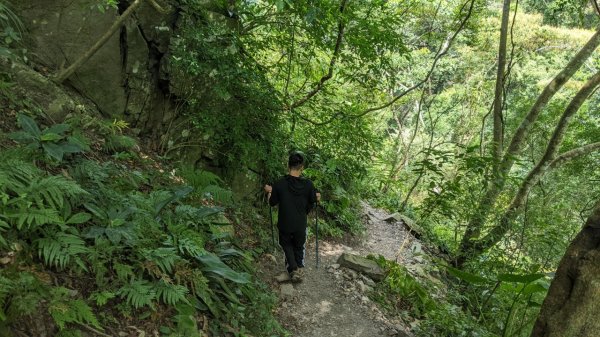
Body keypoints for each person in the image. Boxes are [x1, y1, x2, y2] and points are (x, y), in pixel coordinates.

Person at [264, 153, 320, 282]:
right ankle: (298, 269)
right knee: (299, 245)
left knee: (286, 243)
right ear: (302, 167)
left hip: (285, 222)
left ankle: (294, 269)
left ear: (288, 165)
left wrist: (270, 192)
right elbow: (313, 202)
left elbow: (272, 203)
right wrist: (316, 198)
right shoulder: (308, 185)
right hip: (300, 222)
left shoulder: (279, 183)